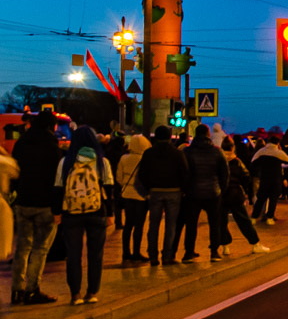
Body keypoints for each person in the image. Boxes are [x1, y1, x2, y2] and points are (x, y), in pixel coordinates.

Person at [54, 125, 113, 305]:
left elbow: (58, 188)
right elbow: (109, 189)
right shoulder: (102, 162)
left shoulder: (66, 162)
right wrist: (110, 214)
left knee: (73, 255)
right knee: (96, 254)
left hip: (72, 213)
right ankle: (92, 292)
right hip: (97, 212)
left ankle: (75, 294)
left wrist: (57, 213)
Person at [10, 109, 62, 305]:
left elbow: (15, 172)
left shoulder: (21, 143)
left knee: (22, 248)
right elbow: (56, 176)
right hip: (44, 203)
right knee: (40, 249)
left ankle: (17, 290)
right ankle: (33, 289)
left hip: (23, 202)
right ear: (51, 126)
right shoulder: (51, 145)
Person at [136, 124, 189, 266]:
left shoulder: (149, 153)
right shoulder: (177, 153)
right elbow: (185, 173)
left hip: (155, 192)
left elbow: (142, 174)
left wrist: (148, 188)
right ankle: (167, 256)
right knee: (171, 225)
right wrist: (183, 189)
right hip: (174, 192)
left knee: (153, 225)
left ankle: (152, 256)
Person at [180, 124, 228, 262]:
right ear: (208, 134)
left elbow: (183, 172)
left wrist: (185, 189)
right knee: (214, 223)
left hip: (192, 193)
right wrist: (221, 190)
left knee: (191, 224)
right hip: (213, 192)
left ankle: (189, 252)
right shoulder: (217, 151)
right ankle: (214, 252)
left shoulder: (188, 152)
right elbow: (225, 173)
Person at [216, 137, 270, 256]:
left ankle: (225, 246)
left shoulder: (218, 160)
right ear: (233, 147)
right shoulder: (237, 161)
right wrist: (245, 190)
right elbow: (246, 177)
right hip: (235, 194)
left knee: (221, 221)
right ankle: (255, 243)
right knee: (243, 221)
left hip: (221, 194)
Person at [115, 134, 151, 263]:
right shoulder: (145, 159)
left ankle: (126, 252)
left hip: (127, 194)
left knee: (128, 224)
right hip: (141, 196)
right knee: (139, 225)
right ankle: (136, 252)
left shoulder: (124, 158)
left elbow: (118, 177)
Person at [251, 135, 288, 224]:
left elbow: (253, 162)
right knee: (273, 199)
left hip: (264, 178)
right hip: (276, 178)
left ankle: (254, 217)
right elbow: (287, 160)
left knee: (260, 199)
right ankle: (269, 217)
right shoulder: (278, 152)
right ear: (277, 143)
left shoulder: (262, 151)